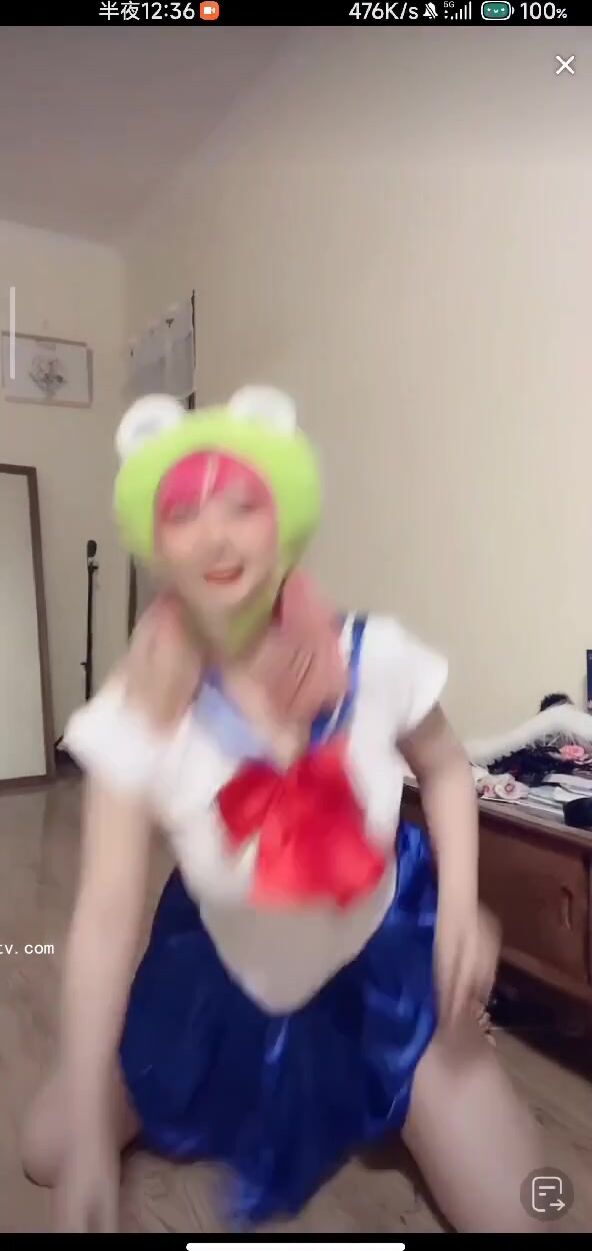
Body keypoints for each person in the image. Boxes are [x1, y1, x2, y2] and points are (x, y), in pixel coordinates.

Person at [22, 388, 544, 1233]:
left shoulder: (373, 655)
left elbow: (448, 769)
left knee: (524, 1215)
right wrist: (87, 1119)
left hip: (378, 955)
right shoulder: (141, 707)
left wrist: (457, 906)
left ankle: (403, 1071)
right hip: (221, 964)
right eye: (185, 511)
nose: (217, 536)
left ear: (285, 519)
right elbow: (106, 910)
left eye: (243, 504)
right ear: (156, 538)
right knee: (49, 1146)